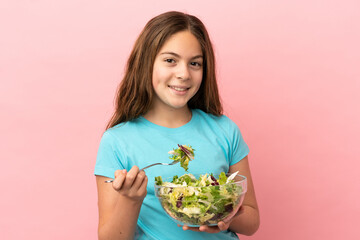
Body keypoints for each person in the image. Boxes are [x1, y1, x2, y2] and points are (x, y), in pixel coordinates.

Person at [94, 11, 260, 240]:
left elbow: (251, 221)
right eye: (170, 60)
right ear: (146, 63)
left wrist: (222, 216)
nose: (183, 74)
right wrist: (130, 200)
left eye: (194, 63)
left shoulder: (225, 130)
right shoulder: (117, 141)